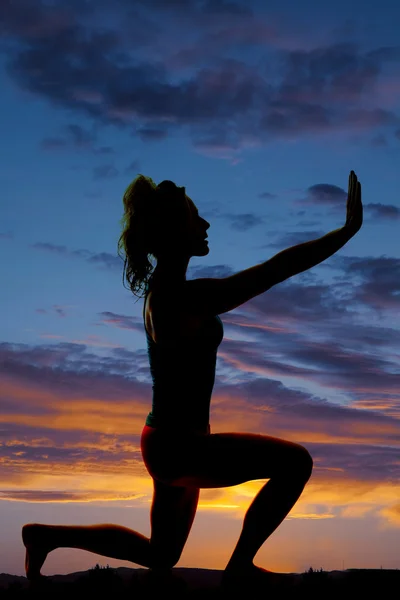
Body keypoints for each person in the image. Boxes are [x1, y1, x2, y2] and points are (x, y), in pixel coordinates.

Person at [22, 171, 363, 587]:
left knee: (161, 554)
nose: (204, 226)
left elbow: (268, 272)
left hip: (167, 441)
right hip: (181, 447)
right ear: (171, 231)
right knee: (296, 463)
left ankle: (44, 536)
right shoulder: (179, 297)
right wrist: (344, 233)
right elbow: (273, 270)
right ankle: (240, 568)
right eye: (194, 218)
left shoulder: (168, 290)